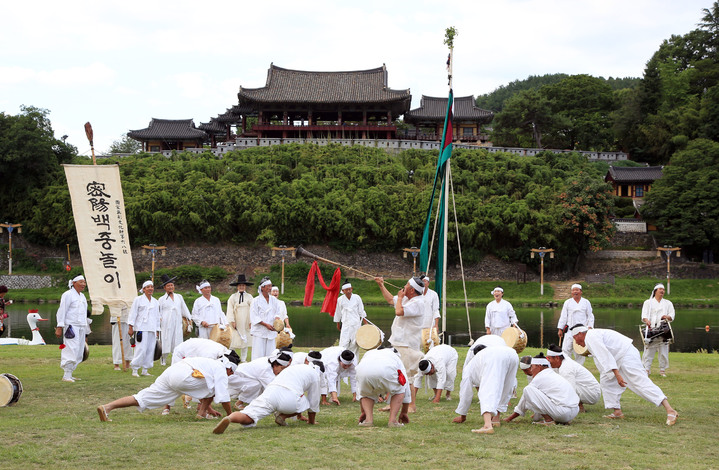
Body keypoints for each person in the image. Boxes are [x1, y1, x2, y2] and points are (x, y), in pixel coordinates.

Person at [571, 324, 678, 425]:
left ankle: (670, 410)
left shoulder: (591, 336)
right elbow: (602, 358)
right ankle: (617, 412)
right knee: (606, 381)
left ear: (580, 333)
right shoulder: (592, 335)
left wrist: (617, 375)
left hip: (626, 355)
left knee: (640, 383)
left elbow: (605, 356)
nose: (577, 343)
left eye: (575, 339)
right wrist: (613, 373)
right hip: (618, 357)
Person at [97, 354, 238, 422]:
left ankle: (107, 407)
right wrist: (230, 415)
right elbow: (223, 396)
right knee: (217, 386)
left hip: (172, 373)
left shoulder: (208, 363)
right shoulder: (220, 368)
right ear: (229, 368)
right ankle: (201, 414)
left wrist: (210, 408)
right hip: (184, 376)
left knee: (142, 397)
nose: (229, 375)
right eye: (231, 373)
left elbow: (206, 388)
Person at [213, 361, 323, 433]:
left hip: (271, 391)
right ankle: (282, 417)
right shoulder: (315, 375)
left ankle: (230, 418)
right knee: (307, 402)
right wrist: (311, 421)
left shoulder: (295, 367)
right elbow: (314, 402)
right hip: (289, 399)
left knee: (249, 415)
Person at [375, 275, 427, 412]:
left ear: (411, 290)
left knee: (407, 375)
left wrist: (400, 297)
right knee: (396, 373)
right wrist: (381, 285)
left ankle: (411, 405)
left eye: (406, 286)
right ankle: (394, 403)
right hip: (399, 341)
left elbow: (399, 311)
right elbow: (390, 300)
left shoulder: (418, 303)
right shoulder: (407, 298)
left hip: (407, 344)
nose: (403, 287)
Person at [453, 343, 518, 434]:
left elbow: (466, 393)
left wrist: (462, 416)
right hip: (513, 354)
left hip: (498, 355)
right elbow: (508, 386)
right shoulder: (484, 357)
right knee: (505, 386)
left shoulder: (469, 368)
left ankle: (487, 425)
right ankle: (496, 419)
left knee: (487, 390)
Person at [503, 353, 580, 426]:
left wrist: (510, 418)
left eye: (532, 367)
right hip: (574, 411)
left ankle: (548, 420)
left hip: (563, 413)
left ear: (538, 366)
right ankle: (561, 419)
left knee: (528, 390)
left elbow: (525, 398)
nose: (531, 370)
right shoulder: (551, 373)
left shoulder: (540, 377)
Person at [355, 347, 411, 428]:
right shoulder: (395, 357)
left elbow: (361, 392)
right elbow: (404, 386)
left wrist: (364, 412)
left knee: (367, 393)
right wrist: (404, 412)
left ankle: (368, 420)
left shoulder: (368, 353)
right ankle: (392, 421)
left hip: (362, 371)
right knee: (399, 390)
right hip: (386, 370)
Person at [228, 350, 292, 408]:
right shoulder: (266, 370)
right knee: (256, 384)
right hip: (234, 376)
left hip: (242, 377)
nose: (281, 371)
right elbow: (272, 387)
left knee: (258, 384)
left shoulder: (269, 362)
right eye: (282, 368)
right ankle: (238, 403)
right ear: (275, 365)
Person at [546, 344, 600, 412]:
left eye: (549, 358)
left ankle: (578, 407)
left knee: (564, 387)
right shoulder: (562, 361)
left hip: (592, 393)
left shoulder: (566, 368)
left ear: (557, 358)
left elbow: (570, 390)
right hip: (587, 389)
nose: (548, 361)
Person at [55, 275, 89, 382]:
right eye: (81, 282)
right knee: (71, 349)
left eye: (84, 282)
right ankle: (66, 375)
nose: (83, 284)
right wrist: (60, 326)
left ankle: (70, 373)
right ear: (74, 283)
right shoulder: (68, 295)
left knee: (79, 350)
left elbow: (84, 314)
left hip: (81, 326)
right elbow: (62, 311)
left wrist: (86, 330)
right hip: (71, 326)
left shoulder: (82, 296)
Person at [157, 274, 192, 366]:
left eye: (172, 285)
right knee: (165, 339)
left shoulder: (179, 297)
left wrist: (189, 319)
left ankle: (177, 360)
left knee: (177, 340)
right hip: (166, 322)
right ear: (165, 287)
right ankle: (163, 359)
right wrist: (159, 319)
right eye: (168, 286)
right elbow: (158, 312)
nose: (171, 287)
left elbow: (184, 309)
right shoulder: (161, 299)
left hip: (177, 321)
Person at [641, 283, 675, 376]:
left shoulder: (668, 303)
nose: (662, 291)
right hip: (651, 329)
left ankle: (662, 370)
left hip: (663, 329)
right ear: (655, 291)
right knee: (648, 350)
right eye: (660, 289)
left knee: (663, 351)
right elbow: (644, 315)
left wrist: (667, 316)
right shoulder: (648, 302)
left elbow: (672, 315)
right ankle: (647, 369)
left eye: (663, 290)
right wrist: (647, 320)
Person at [128, 280, 161, 377]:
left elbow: (157, 316)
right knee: (141, 349)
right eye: (148, 287)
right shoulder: (138, 299)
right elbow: (133, 313)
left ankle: (145, 369)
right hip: (141, 327)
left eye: (152, 287)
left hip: (152, 328)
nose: (150, 289)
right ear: (144, 289)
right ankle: (135, 369)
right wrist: (131, 326)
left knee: (150, 349)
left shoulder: (155, 302)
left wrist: (157, 330)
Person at [557, 284, 594, 365]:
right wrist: (560, 328)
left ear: (581, 292)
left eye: (577, 290)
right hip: (570, 329)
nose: (575, 292)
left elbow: (590, 315)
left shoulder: (586, 302)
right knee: (566, 349)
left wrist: (590, 327)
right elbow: (563, 316)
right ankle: (567, 366)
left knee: (579, 350)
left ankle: (579, 367)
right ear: (571, 292)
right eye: (573, 290)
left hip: (582, 330)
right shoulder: (567, 302)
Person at [333, 281, 368, 359]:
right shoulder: (340, 299)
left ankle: (354, 362)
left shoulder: (357, 297)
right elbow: (338, 312)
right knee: (343, 344)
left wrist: (365, 324)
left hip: (356, 324)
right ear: (343, 291)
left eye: (350, 289)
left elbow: (361, 311)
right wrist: (338, 324)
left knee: (354, 344)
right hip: (345, 324)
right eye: (346, 290)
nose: (348, 291)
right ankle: (341, 360)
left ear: (352, 289)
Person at [249, 277, 281, 360]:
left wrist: (277, 320)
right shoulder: (255, 301)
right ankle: (257, 371)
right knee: (258, 354)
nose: (270, 288)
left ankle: (270, 370)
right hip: (260, 331)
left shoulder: (274, 300)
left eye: (271, 286)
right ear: (262, 288)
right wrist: (265, 324)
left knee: (271, 354)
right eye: (268, 286)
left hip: (271, 331)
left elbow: (278, 312)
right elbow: (254, 316)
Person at [226, 274, 254, 363]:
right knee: (233, 339)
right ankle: (230, 356)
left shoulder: (249, 297)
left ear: (245, 286)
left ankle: (243, 358)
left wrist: (251, 321)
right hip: (236, 320)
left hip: (246, 320)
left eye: (243, 285)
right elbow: (229, 309)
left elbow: (253, 309)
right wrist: (232, 321)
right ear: (237, 287)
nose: (241, 287)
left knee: (245, 339)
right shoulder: (233, 297)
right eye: (240, 285)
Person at [110, 305, 133, 371]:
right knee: (117, 342)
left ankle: (127, 363)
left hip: (128, 319)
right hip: (117, 318)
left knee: (128, 342)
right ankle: (116, 364)